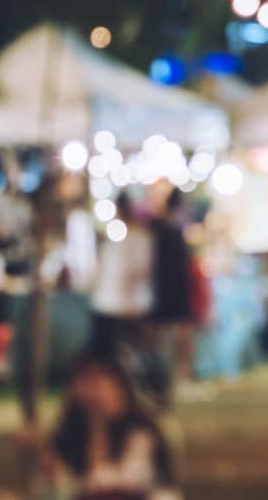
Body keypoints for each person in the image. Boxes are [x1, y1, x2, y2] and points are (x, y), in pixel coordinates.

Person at [44, 352, 176, 499]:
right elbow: (55, 487)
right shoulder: (70, 430)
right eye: (83, 381)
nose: (91, 391)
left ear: (121, 388)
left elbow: (127, 478)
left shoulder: (141, 430)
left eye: (99, 381)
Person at [91, 193, 154, 361]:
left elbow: (139, 270)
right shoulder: (123, 237)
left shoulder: (135, 238)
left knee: (126, 352)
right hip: (115, 304)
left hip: (125, 305)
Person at [149, 188, 194, 405]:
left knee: (177, 335)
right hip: (165, 289)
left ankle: (177, 377)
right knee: (167, 337)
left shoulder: (165, 229)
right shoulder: (162, 230)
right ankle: (165, 377)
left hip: (169, 289)